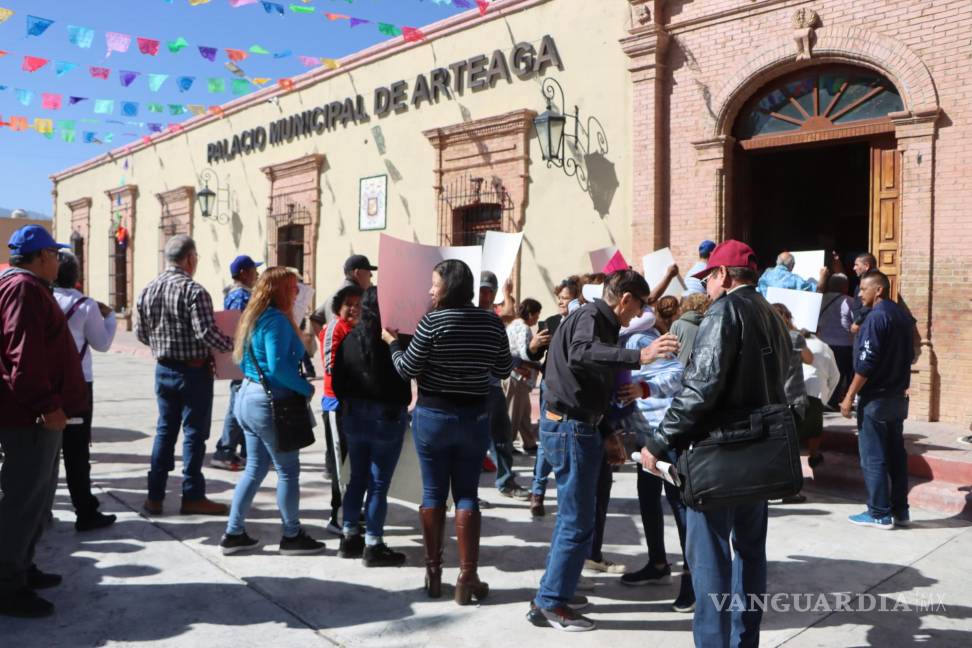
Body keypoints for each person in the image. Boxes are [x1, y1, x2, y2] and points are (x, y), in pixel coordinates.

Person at [641, 239, 792, 648]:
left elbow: (700, 389)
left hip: (719, 457)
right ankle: (745, 641)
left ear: (723, 275)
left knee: (710, 563)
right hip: (759, 454)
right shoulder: (771, 313)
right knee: (750, 555)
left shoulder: (724, 311)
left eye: (708, 277)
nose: (705, 286)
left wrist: (657, 442)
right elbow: (788, 381)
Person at [527, 269, 679, 632]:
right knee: (577, 521)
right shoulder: (592, 317)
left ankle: (553, 592)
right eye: (640, 305)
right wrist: (639, 355)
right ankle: (551, 603)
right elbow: (582, 353)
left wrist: (608, 430)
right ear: (626, 298)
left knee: (574, 518)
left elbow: (592, 381)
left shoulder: (597, 320)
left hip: (581, 425)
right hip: (570, 428)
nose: (640, 314)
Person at [384, 259, 512, 605]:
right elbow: (503, 368)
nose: (430, 290)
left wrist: (393, 345)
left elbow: (407, 369)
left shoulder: (432, 321)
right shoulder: (491, 322)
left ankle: (433, 571)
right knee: (467, 494)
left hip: (434, 417)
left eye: (434, 283)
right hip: (474, 417)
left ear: (448, 287)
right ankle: (467, 577)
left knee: (433, 493)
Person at [0, 224, 87, 618]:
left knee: (37, 499)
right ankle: (7, 586)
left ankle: (22, 566)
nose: (59, 260)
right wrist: (46, 404)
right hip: (31, 417)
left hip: (38, 415)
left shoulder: (28, 287)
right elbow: (25, 354)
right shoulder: (24, 289)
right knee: (23, 499)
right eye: (54, 254)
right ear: (43, 258)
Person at [219, 267, 324, 556]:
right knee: (288, 470)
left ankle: (234, 532)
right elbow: (278, 368)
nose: (297, 292)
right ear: (278, 291)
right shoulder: (276, 321)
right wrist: (306, 389)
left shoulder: (256, 318)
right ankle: (291, 535)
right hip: (270, 402)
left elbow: (243, 360)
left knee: (255, 468)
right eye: (292, 288)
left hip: (248, 396)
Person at [136, 235, 233, 516]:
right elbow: (206, 332)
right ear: (190, 258)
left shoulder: (147, 289)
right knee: (193, 434)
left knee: (165, 431)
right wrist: (233, 345)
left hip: (163, 369)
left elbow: (142, 334)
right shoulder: (194, 291)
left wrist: (164, 345)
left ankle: (154, 496)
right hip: (193, 371)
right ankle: (192, 495)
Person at [617, 304, 694, 613]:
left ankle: (691, 577)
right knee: (648, 500)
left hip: (667, 437)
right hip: (645, 438)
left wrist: (644, 387)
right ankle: (658, 563)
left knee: (678, 505)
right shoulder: (623, 341)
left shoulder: (639, 339)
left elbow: (677, 374)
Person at [332, 287, 411, 567]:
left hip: (354, 416)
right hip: (386, 418)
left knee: (357, 479)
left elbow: (337, 382)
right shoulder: (393, 342)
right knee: (378, 485)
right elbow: (405, 380)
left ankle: (349, 535)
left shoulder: (349, 340)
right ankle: (373, 544)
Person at [840, 270, 914, 529]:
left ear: (879, 290)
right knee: (896, 454)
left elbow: (866, 362)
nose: (859, 295)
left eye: (863, 289)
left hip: (877, 398)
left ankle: (879, 512)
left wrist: (849, 396)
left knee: (873, 455)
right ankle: (900, 510)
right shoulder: (903, 317)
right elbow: (912, 352)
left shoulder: (876, 318)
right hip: (897, 396)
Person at [53, 250, 118, 532]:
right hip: (79, 382)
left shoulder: (43, 299)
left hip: (46, 380)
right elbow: (101, 343)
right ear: (76, 276)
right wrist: (111, 317)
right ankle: (85, 510)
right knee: (77, 450)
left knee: (46, 449)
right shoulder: (85, 305)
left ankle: (42, 509)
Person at [479, 270, 528, 500]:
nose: (486, 295)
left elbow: (508, 315)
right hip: (474, 388)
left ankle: (506, 481)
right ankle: (466, 493)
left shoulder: (490, 313)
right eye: (482, 290)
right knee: (473, 440)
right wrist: (508, 294)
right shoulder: (474, 313)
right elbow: (509, 313)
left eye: (490, 290)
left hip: (493, 386)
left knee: (502, 435)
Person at [529, 278, 577, 517]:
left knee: (565, 439)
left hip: (574, 389)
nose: (561, 301)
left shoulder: (584, 322)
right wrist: (534, 344)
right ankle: (537, 493)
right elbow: (533, 353)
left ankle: (561, 494)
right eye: (559, 297)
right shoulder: (551, 322)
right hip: (550, 385)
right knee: (547, 436)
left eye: (566, 297)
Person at [320, 284, 364, 535]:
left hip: (356, 406)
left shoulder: (358, 330)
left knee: (354, 463)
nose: (354, 309)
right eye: (349, 304)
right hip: (337, 405)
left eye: (359, 304)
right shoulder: (335, 328)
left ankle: (352, 509)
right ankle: (336, 516)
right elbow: (330, 366)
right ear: (338, 307)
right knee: (340, 464)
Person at [212, 254, 262, 471]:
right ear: (244, 273)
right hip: (244, 357)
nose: (257, 274)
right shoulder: (241, 296)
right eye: (254, 270)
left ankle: (240, 448)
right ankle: (225, 449)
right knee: (238, 404)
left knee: (241, 402)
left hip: (243, 356)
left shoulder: (238, 294)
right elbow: (243, 326)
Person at [505, 298, 543, 454]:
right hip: (518, 375)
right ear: (531, 314)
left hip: (515, 373)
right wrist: (537, 365)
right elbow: (524, 353)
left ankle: (529, 442)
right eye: (537, 315)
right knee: (514, 412)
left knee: (524, 412)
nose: (537, 319)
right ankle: (507, 444)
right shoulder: (524, 328)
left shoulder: (513, 325)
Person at [308, 254, 375, 334]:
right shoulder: (356, 296)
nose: (371, 275)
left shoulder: (337, 293)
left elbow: (315, 318)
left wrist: (326, 342)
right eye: (369, 272)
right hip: (349, 345)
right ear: (357, 273)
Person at [816, 273, 854, 408]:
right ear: (845, 286)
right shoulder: (850, 301)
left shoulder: (819, 299)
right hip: (844, 345)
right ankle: (833, 402)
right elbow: (855, 322)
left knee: (824, 373)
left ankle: (822, 401)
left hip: (822, 343)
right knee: (839, 375)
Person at [757, 250, 826, 296]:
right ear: (792, 265)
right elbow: (818, 291)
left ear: (777, 262)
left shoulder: (765, 275)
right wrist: (823, 276)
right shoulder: (794, 280)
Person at [670, 292, 709, 365]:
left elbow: (669, 353)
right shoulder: (708, 326)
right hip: (698, 371)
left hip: (678, 371)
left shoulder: (677, 324)